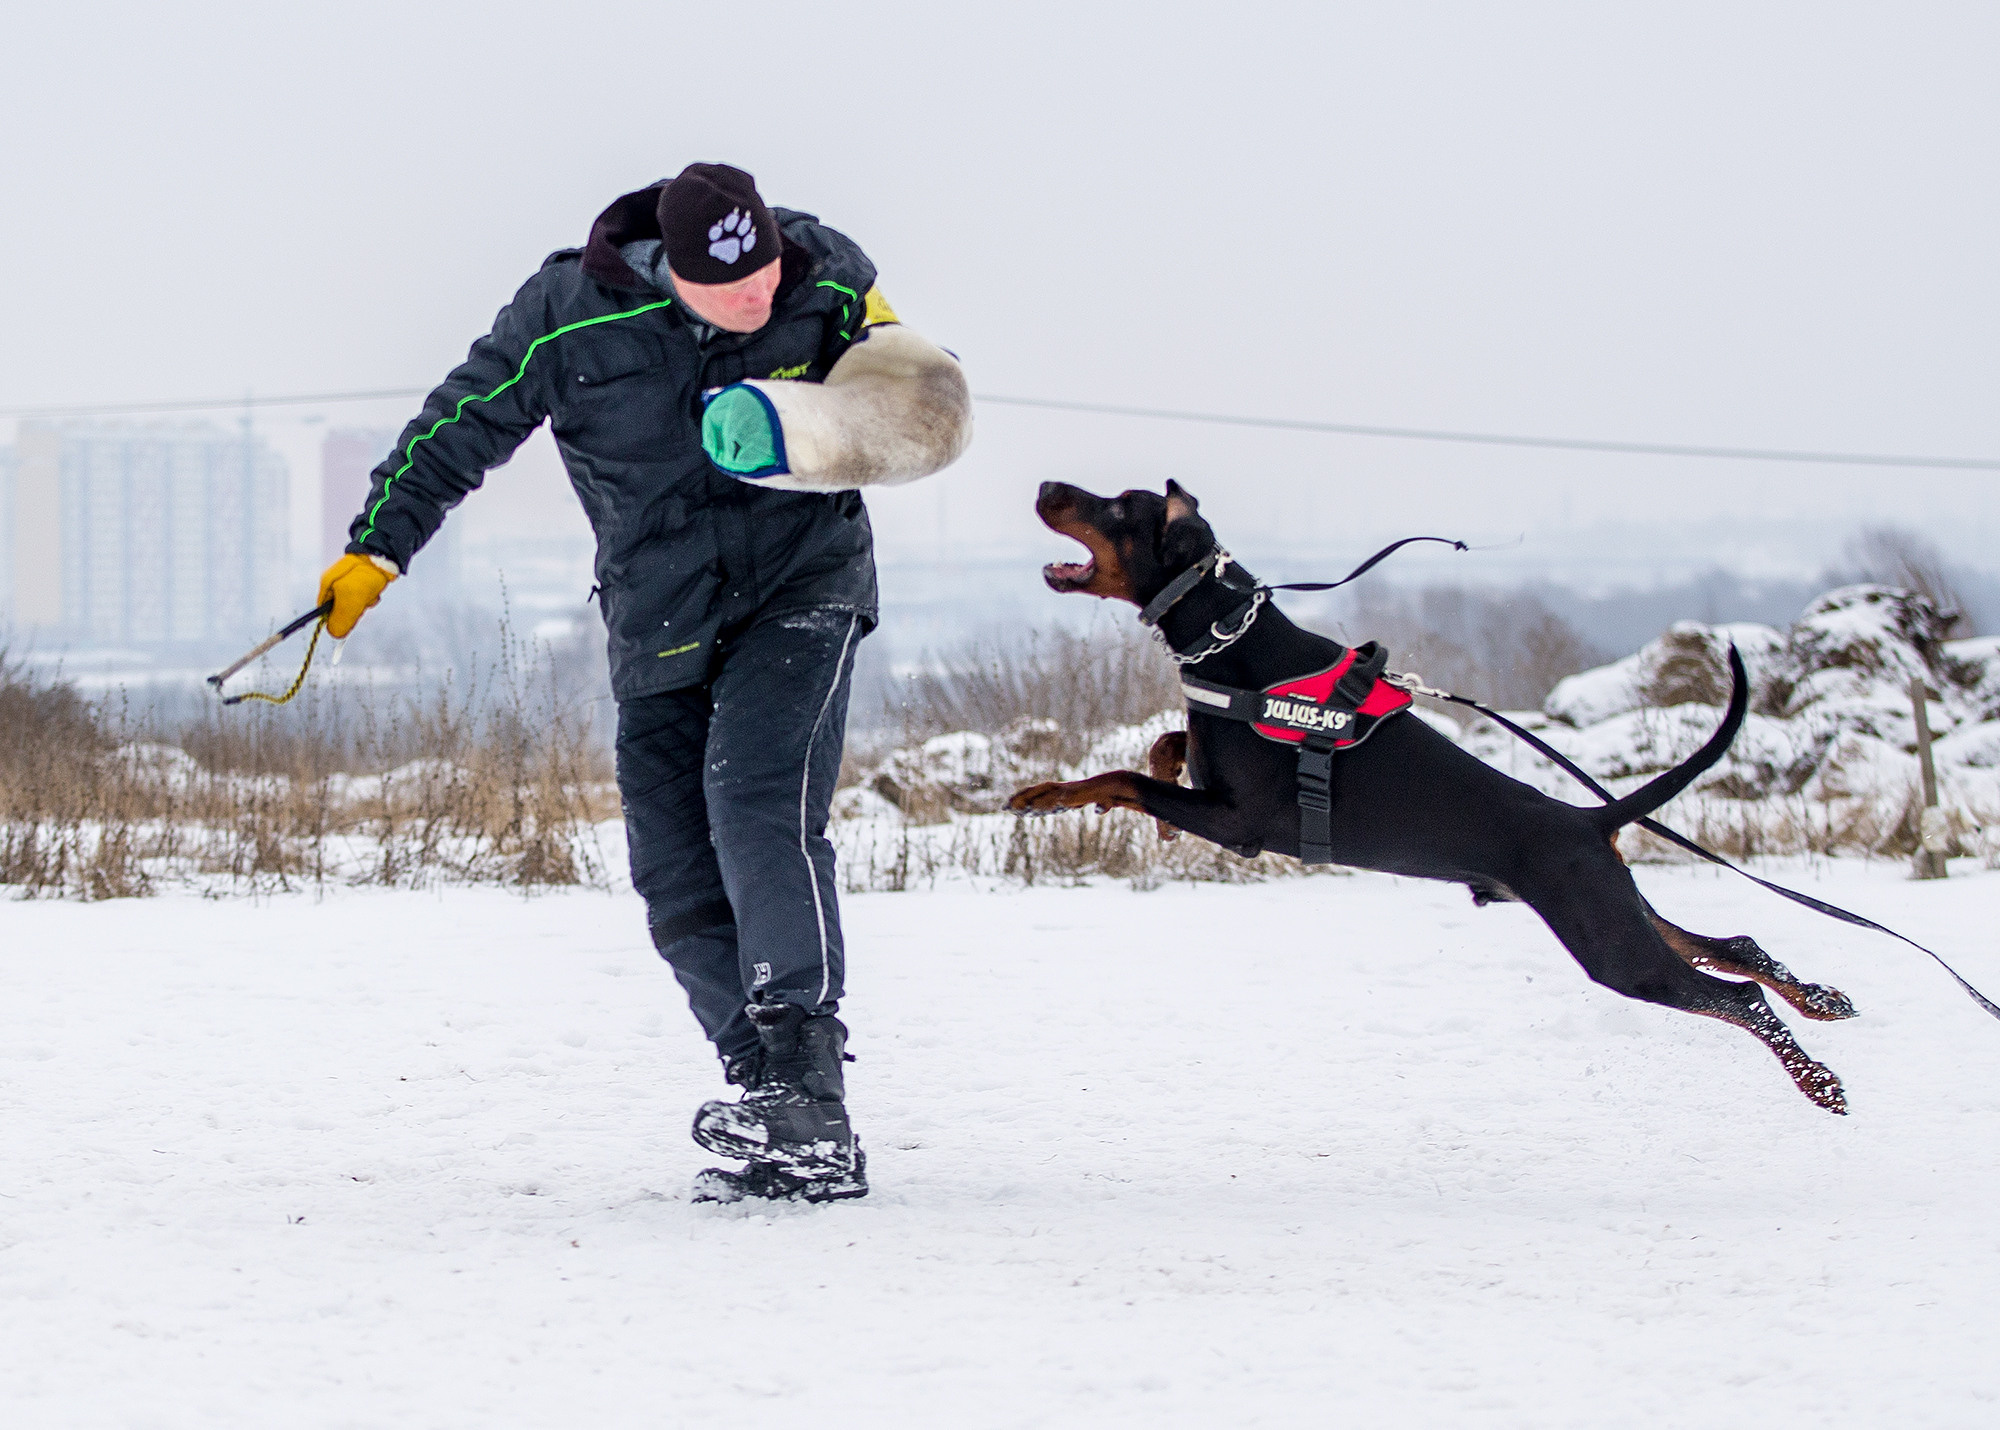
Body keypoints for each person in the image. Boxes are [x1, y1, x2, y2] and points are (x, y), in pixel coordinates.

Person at [317, 163, 970, 1203]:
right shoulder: (566, 313)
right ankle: (766, 1095)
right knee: (672, 873)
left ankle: (807, 1085)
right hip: (659, 614)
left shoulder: (826, 273)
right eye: (732, 288)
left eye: (766, 274)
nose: (759, 295)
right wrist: (377, 548)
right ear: (672, 274)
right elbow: (460, 423)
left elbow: (916, 388)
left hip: (804, 586)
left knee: (755, 803)